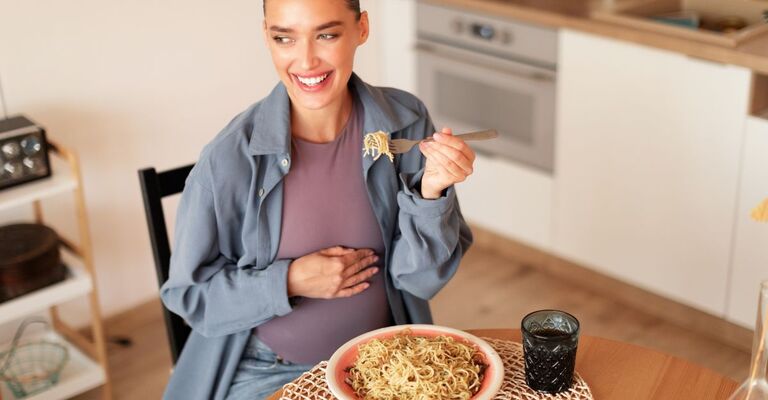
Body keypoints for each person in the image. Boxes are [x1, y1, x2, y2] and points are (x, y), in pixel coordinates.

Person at [159, 0, 475, 398]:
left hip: (380, 361)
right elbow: (189, 295)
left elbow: (420, 279)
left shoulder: (405, 121)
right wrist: (288, 281)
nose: (306, 61)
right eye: (284, 38)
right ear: (266, 37)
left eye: (326, 34)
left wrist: (431, 193)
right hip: (265, 370)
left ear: (361, 28)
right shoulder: (227, 160)